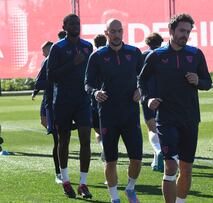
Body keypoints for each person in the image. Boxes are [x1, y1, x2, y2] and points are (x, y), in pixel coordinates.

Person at [138, 13, 212, 203]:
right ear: (171, 31)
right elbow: (142, 80)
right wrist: (147, 98)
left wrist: (198, 81)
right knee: (170, 167)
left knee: (186, 170)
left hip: (190, 118)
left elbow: (207, 82)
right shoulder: (156, 56)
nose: (185, 35)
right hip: (167, 118)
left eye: (188, 31)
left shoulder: (195, 54)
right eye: (181, 30)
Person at [85, 19, 143, 203]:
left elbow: (146, 78)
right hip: (108, 115)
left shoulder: (134, 53)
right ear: (106, 33)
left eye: (119, 31)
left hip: (130, 114)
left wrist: (141, 90)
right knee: (111, 160)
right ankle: (114, 198)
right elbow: (87, 83)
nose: (117, 34)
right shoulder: (97, 56)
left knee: (137, 159)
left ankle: (130, 188)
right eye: (113, 31)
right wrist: (95, 92)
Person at [47, 14, 93, 199]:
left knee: (85, 140)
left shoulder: (87, 46)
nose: (76, 26)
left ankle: (83, 183)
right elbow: (52, 76)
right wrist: (72, 64)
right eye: (72, 23)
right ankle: (65, 181)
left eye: (78, 23)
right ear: (64, 26)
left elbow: (92, 72)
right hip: (63, 101)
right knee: (63, 140)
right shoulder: (58, 48)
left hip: (83, 100)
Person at [31, 41, 63, 184]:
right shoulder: (48, 61)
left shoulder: (73, 59)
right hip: (52, 104)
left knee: (71, 138)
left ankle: (80, 178)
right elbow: (39, 82)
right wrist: (56, 81)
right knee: (58, 140)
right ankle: (59, 173)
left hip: (72, 104)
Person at [142, 32, 164, 172]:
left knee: (151, 128)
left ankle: (158, 150)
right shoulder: (164, 54)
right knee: (163, 127)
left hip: (147, 96)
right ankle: (157, 161)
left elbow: (137, 76)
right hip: (164, 95)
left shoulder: (142, 55)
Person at [91, 34, 107, 157]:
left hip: (94, 96)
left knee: (97, 129)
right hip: (108, 95)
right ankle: (106, 147)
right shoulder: (109, 54)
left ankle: (104, 147)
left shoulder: (93, 56)